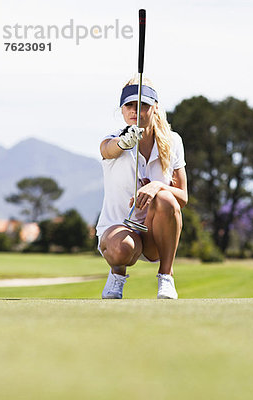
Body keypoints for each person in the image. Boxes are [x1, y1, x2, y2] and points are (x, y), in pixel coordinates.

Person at [96, 77, 187, 299]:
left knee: (166, 199)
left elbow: (182, 197)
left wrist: (157, 186)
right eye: (130, 105)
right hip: (119, 231)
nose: (136, 110)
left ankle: (166, 276)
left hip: (154, 235)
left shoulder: (173, 142)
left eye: (143, 105)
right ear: (122, 109)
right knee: (122, 249)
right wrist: (123, 143)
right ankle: (117, 275)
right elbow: (108, 149)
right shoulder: (113, 140)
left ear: (155, 108)